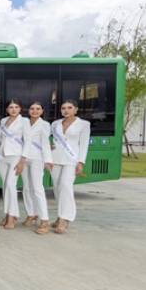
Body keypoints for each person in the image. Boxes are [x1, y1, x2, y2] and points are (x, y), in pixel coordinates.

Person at [50, 100, 90, 234]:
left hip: (71, 160)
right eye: (63, 108)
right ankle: (60, 215)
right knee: (57, 188)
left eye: (69, 107)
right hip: (55, 158)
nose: (66, 110)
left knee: (66, 186)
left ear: (76, 109)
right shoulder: (55, 124)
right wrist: (48, 145)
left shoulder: (84, 124)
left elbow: (84, 144)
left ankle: (65, 219)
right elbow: (47, 138)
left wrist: (81, 162)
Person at [22, 101, 54, 234]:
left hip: (37, 158)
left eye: (38, 109)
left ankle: (45, 220)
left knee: (37, 188)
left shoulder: (45, 125)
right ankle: (31, 214)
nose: (34, 111)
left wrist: (48, 160)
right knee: (26, 187)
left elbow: (45, 143)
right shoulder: (24, 122)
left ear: (42, 111)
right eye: (32, 108)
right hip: (23, 158)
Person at [0, 99, 30, 230]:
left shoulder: (24, 121)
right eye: (11, 107)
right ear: (7, 109)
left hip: (16, 156)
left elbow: (28, 141)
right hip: (2, 156)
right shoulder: (3, 121)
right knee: (6, 187)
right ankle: (9, 214)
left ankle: (11, 217)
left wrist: (23, 160)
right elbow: (1, 139)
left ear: (20, 109)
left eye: (16, 107)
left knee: (11, 186)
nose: (14, 109)